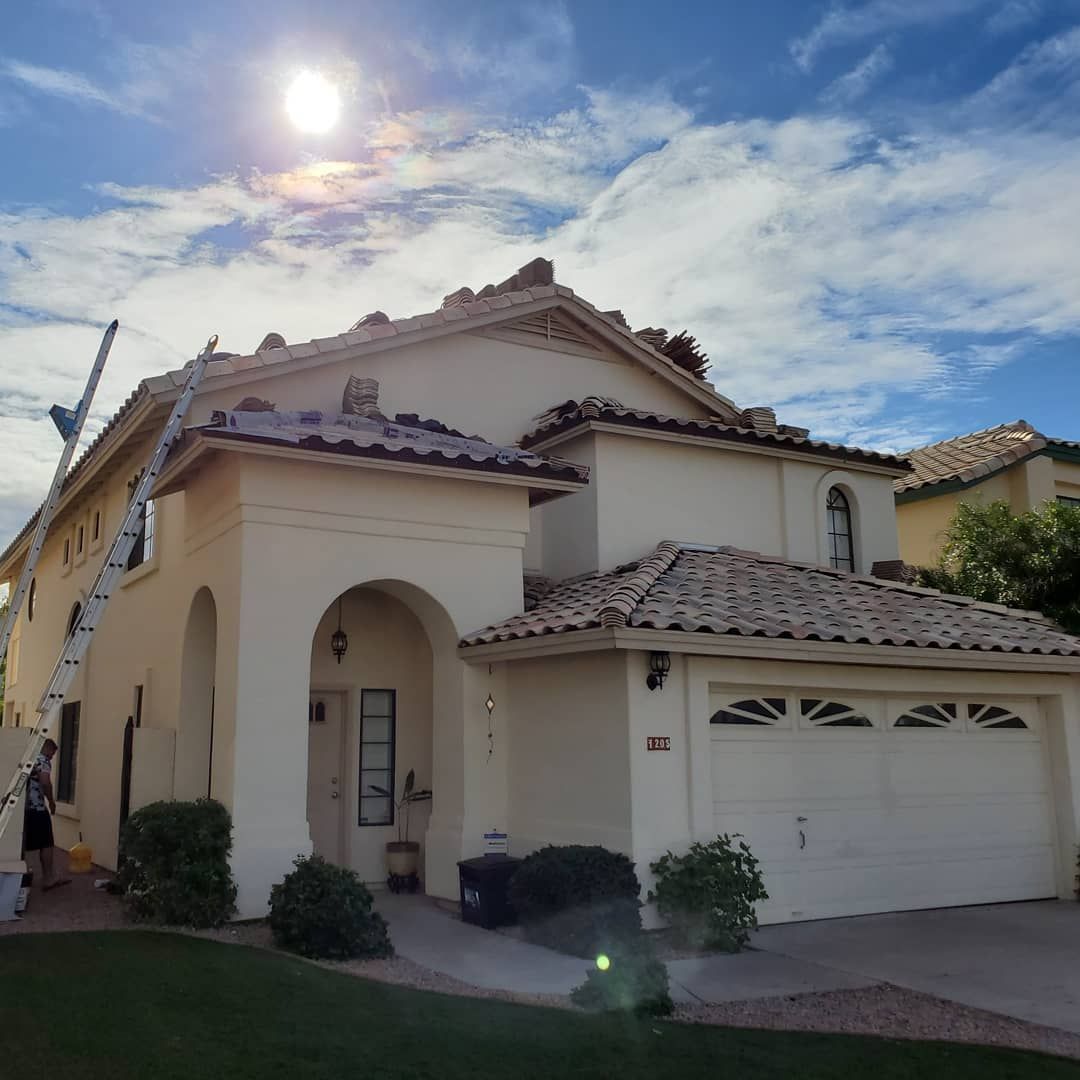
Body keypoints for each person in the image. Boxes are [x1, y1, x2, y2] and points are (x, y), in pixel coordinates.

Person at [24, 739, 70, 891]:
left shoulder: (29, 757)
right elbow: (45, 782)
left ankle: (21, 874)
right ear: (47, 748)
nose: (52, 757)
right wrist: (51, 802)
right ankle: (48, 878)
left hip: (24, 809)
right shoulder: (43, 760)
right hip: (37, 808)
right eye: (52, 753)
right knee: (47, 843)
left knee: (24, 842)